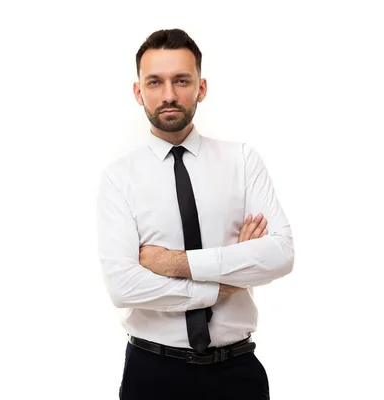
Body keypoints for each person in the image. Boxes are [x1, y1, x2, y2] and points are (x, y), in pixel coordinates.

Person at [96, 28, 294, 400]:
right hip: (152, 375)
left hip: (238, 374)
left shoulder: (243, 161)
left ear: (201, 88)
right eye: (155, 82)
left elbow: (280, 255)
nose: (168, 95)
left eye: (181, 80)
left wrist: (175, 263)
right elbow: (123, 286)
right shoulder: (119, 178)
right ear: (139, 92)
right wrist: (228, 279)